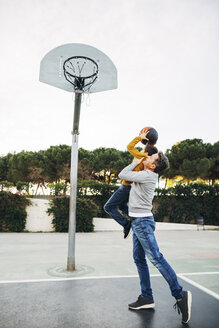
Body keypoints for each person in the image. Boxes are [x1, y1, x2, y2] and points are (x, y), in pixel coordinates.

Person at [118, 153, 192, 324]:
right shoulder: (146, 173)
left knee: (156, 258)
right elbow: (142, 157)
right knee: (138, 258)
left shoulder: (147, 175)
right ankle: (146, 297)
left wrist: (135, 161)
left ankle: (180, 295)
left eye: (152, 156)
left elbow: (123, 174)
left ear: (152, 165)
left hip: (142, 223)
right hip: (138, 222)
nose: (148, 156)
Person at [104, 133, 158, 239]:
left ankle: (126, 223)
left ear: (146, 152)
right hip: (129, 187)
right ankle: (134, 219)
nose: (141, 151)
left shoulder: (142, 157)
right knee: (121, 205)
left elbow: (129, 147)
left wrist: (139, 138)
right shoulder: (147, 161)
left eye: (142, 150)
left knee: (108, 207)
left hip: (125, 187)